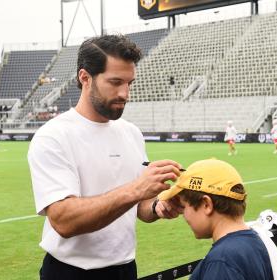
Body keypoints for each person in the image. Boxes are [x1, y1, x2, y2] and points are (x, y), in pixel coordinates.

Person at [28, 34, 183, 280]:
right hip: (71, 272)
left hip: (125, 268)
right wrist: (137, 188)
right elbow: (64, 220)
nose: (125, 93)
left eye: (129, 83)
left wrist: (157, 206)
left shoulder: (131, 132)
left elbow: (139, 208)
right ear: (85, 77)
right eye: (115, 82)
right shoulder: (54, 136)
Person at [158, 159, 277, 280]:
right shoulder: (258, 239)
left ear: (206, 204)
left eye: (183, 206)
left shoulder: (222, 262)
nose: (183, 215)